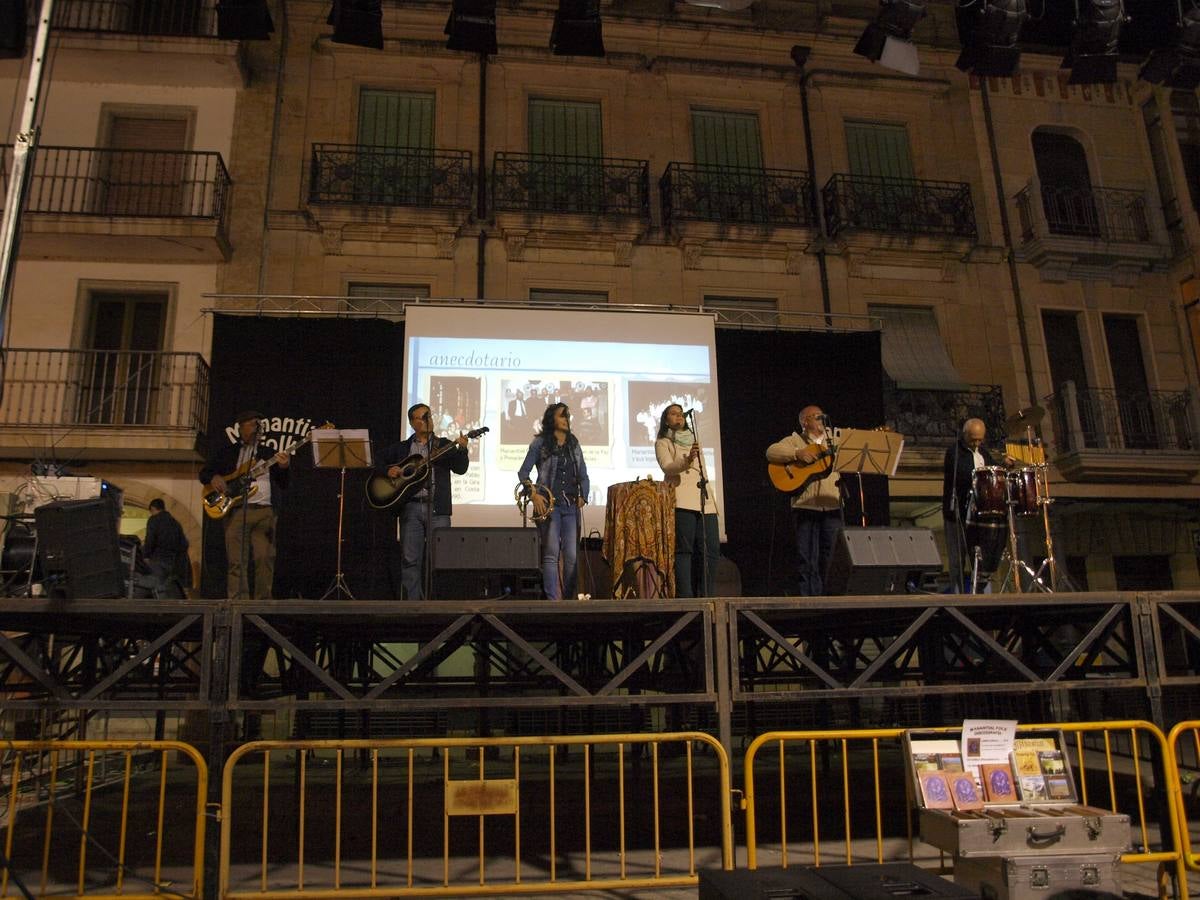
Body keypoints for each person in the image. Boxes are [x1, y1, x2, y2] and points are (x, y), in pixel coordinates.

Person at [377, 402, 469, 601]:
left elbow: (460, 468)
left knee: (440, 560)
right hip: (410, 508)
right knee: (410, 560)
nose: (429, 420)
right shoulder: (403, 448)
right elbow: (377, 460)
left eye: (430, 415)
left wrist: (462, 450)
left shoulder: (443, 445)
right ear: (413, 423)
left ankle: (437, 605)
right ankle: (412, 607)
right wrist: (388, 470)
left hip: (438, 509)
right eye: (423, 417)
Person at [199, 410, 290, 599]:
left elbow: (283, 483)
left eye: (258, 424)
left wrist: (283, 467)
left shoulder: (268, 453)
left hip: (264, 511)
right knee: (236, 560)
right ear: (241, 428)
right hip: (236, 511)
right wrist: (214, 477)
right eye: (251, 424)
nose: (256, 427)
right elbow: (204, 473)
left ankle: (262, 603)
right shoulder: (228, 452)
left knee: (264, 558)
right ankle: (238, 601)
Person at [766, 405, 842, 596]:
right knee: (807, 557)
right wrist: (797, 454)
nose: (821, 420)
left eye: (822, 416)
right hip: (806, 506)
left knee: (832, 556)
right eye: (817, 417)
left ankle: (831, 599)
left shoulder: (835, 440)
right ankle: (811, 600)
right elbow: (771, 451)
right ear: (804, 421)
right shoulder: (795, 440)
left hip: (832, 504)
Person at [517, 403, 590, 601]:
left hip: (570, 506)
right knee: (551, 554)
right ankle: (552, 601)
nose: (566, 419)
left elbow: (583, 474)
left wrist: (584, 494)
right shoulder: (540, 443)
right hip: (549, 506)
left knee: (572, 557)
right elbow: (523, 472)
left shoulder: (573, 443)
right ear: (552, 419)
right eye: (562, 416)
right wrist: (533, 494)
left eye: (568, 415)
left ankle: (568, 599)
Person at [655, 404, 720, 597]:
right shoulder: (663, 442)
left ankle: (706, 595)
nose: (679, 417)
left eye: (681, 414)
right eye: (673, 414)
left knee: (712, 550)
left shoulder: (693, 439)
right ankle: (687, 597)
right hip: (682, 499)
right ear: (666, 420)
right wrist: (687, 460)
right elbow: (667, 467)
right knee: (685, 550)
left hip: (704, 499)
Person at [942, 417, 1004, 593]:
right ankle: (958, 594)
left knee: (980, 555)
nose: (977, 442)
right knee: (957, 559)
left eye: (980, 439)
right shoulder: (954, 452)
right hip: (958, 512)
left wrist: (1002, 466)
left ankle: (981, 591)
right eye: (973, 439)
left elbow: (992, 474)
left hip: (977, 515)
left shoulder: (983, 453)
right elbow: (960, 475)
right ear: (964, 435)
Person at [143, 497, 191, 595]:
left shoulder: (154, 519)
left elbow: (150, 539)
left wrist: (146, 555)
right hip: (173, 562)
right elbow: (184, 544)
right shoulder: (175, 523)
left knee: (156, 588)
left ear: (153, 508)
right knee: (168, 591)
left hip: (158, 559)